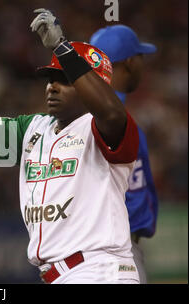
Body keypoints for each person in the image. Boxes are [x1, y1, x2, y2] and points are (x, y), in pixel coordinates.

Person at [0, 9, 140, 283]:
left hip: (98, 269)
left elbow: (112, 114)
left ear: (93, 85)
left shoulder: (105, 129)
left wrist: (63, 48)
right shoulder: (34, 128)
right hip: (57, 274)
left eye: (64, 80)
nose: (51, 87)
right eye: (50, 80)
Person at [89, 25, 159, 284]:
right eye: (140, 57)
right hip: (112, 253)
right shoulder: (108, 117)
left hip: (110, 252)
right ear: (129, 62)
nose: (143, 64)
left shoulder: (99, 112)